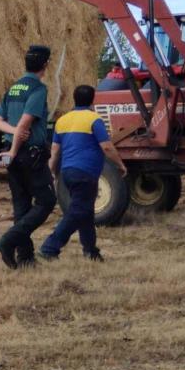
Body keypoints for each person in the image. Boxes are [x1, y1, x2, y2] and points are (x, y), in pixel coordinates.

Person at [39, 84, 127, 262]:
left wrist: (51, 172)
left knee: (85, 212)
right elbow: (106, 146)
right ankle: (50, 247)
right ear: (93, 99)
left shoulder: (62, 120)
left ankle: (91, 251)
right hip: (85, 172)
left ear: (74, 98)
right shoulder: (94, 119)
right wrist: (120, 164)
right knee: (77, 212)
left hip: (68, 172)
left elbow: (55, 151)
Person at [0, 44, 56, 270]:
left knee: (21, 206)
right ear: (45, 65)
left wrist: (11, 134)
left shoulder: (14, 88)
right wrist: (15, 147)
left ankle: (25, 258)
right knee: (47, 201)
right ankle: (8, 241)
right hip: (28, 154)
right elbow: (26, 122)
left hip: (14, 153)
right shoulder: (37, 89)